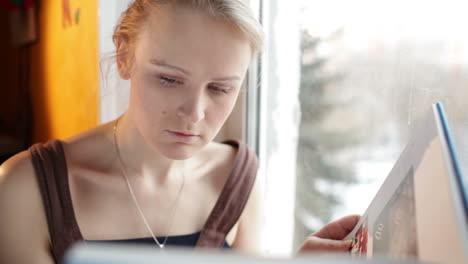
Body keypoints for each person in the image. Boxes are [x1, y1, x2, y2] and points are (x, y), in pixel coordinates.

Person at [0, 0, 360, 263]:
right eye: (169, 79)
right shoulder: (23, 188)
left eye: (220, 88)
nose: (194, 113)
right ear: (124, 56)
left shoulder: (237, 178)